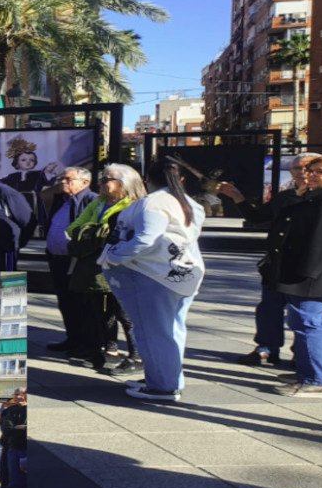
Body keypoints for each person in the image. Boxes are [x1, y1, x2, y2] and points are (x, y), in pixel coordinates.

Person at [100, 157, 205, 402]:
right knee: (172, 330)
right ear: (180, 179)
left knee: (153, 332)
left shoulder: (153, 203)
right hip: (180, 273)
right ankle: (165, 379)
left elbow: (146, 239)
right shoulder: (189, 203)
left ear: (148, 179)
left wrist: (114, 255)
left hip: (153, 275)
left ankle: (163, 385)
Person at [258, 153, 322, 398]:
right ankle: (320, 373)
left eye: (319, 172)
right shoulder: (315, 197)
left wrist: (307, 273)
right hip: (303, 271)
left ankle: (317, 381)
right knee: (316, 323)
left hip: (310, 274)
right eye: (311, 171)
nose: (311, 175)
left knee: (310, 323)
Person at [217, 152, 321, 366]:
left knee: (303, 314)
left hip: (307, 265)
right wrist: (237, 197)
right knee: (268, 308)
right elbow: (257, 218)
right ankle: (266, 348)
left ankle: (302, 353)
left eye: (307, 167)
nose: (301, 173)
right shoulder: (286, 196)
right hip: (277, 263)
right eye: (296, 168)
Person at [66, 164, 147, 373]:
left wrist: (95, 232)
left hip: (122, 266)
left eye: (106, 180)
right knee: (104, 311)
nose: (101, 184)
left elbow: (123, 235)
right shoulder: (99, 202)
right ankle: (110, 350)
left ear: (124, 183)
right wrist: (96, 232)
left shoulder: (133, 205)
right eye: (102, 179)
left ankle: (137, 356)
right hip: (96, 265)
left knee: (125, 313)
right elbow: (74, 228)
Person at [42, 168, 98, 353]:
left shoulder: (92, 201)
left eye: (68, 179)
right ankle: (72, 338)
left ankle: (87, 343)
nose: (63, 182)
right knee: (65, 302)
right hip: (57, 259)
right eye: (62, 178)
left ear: (85, 182)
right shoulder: (62, 200)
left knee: (80, 303)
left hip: (76, 261)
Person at [0, 137, 61, 230]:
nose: (28, 162)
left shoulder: (38, 175)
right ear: (17, 163)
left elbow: (47, 179)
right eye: (23, 160)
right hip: (17, 206)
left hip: (34, 206)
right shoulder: (12, 177)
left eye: (31, 160)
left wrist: (48, 171)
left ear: (34, 162)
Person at [0, 388, 27, 488]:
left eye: (22, 394)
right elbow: (7, 429)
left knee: (20, 480)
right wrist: (21, 428)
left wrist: (23, 428)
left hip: (24, 448)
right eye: (16, 394)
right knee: (5, 475)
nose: (19, 396)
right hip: (10, 446)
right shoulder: (9, 411)